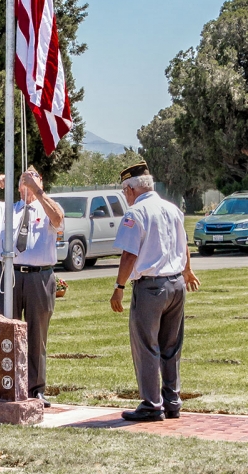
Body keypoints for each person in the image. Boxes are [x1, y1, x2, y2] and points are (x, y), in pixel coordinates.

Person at [110, 160, 200, 422]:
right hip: (175, 283)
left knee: (146, 346)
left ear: (130, 189)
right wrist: (187, 271)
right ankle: (172, 400)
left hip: (151, 287)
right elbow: (184, 245)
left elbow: (129, 254)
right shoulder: (172, 209)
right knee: (171, 346)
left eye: (125, 191)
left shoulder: (136, 213)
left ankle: (151, 404)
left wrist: (119, 287)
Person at [0, 166, 64, 406]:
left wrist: (38, 192)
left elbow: (58, 219)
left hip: (39, 277)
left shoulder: (47, 208)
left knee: (37, 334)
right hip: (9, 274)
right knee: (6, 331)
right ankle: (8, 384)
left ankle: (36, 388)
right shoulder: (5, 209)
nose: (27, 184)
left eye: (32, 179)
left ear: (41, 182)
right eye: (23, 180)